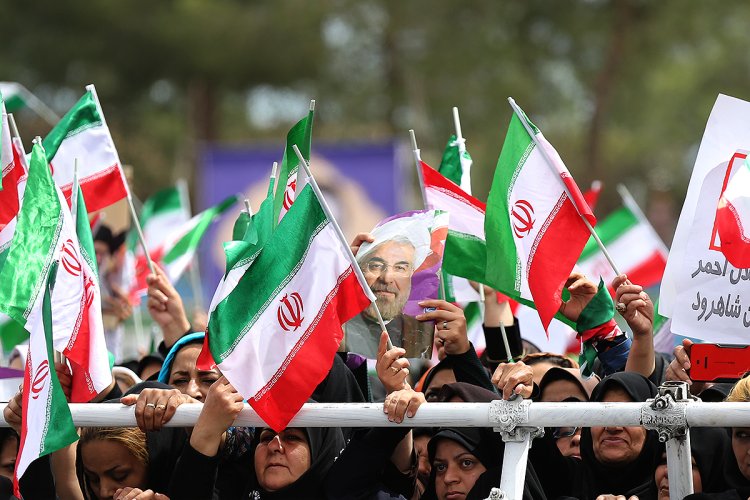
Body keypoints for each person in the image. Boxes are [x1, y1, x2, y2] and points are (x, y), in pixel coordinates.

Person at [344, 235, 432, 358]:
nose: (387, 278)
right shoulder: (331, 325)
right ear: (357, 270)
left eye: (400, 268)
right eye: (376, 265)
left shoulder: (424, 335)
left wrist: (458, 354)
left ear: (412, 275)